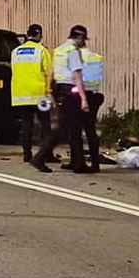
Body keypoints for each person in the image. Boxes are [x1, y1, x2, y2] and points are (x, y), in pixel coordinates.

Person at [33, 25, 91, 173]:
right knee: (64, 129)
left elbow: (52, 73)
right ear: (79, 37)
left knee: (73, 128)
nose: (84, 43)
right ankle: (39, 157)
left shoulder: (59, 50)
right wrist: (84, 99)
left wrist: (50, 91)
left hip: (59, 90)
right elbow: (76, 75)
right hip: (70, 91)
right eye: (83, 39)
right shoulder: (73, 51)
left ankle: (78, 163)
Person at [10, 24, 53, 163]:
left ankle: (26, 154)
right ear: (40, 35)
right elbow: (49, 73)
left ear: (27, 34)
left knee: (26, 125)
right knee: (45, 124)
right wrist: (49, 91)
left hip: (21, 94)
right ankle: (45, 153)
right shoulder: (42, 50)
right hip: (40, 94)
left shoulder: (15, 51)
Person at [73, 47, 105, 173]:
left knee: (75, 131)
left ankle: (78, 162)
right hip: (94, 95)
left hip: (80, 96)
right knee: (90, 130)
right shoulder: (96, 57)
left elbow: (76, 78)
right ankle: (95, 163)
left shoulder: (75, 58)